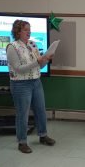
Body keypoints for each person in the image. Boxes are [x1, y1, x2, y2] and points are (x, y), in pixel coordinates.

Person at [6, 20, 55, 153]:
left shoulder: (33, 44)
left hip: (36, 81)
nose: (29, 32)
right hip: (20, 84)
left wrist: (46, 60)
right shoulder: (12, 47)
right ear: (18, 31)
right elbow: (18, 69)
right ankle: (22, 142)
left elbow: (40, 65)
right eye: (25, 29)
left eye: (29, 29)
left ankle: (43, 135)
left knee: (40, 110)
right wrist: (37, 61)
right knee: (23, 114)